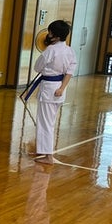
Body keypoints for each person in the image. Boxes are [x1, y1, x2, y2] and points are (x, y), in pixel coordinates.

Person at [31, 20, 77, 165]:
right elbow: (69, 72)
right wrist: (62, 88)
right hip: (60, 88)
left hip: (49, 89)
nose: (49, 34)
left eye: (50, 32)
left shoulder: (51, 50)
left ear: (55, 35)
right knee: (49, 122)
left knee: (45, 123)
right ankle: (44, 151)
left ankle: (48, 155)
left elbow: (37, 68)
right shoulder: (69, 50)